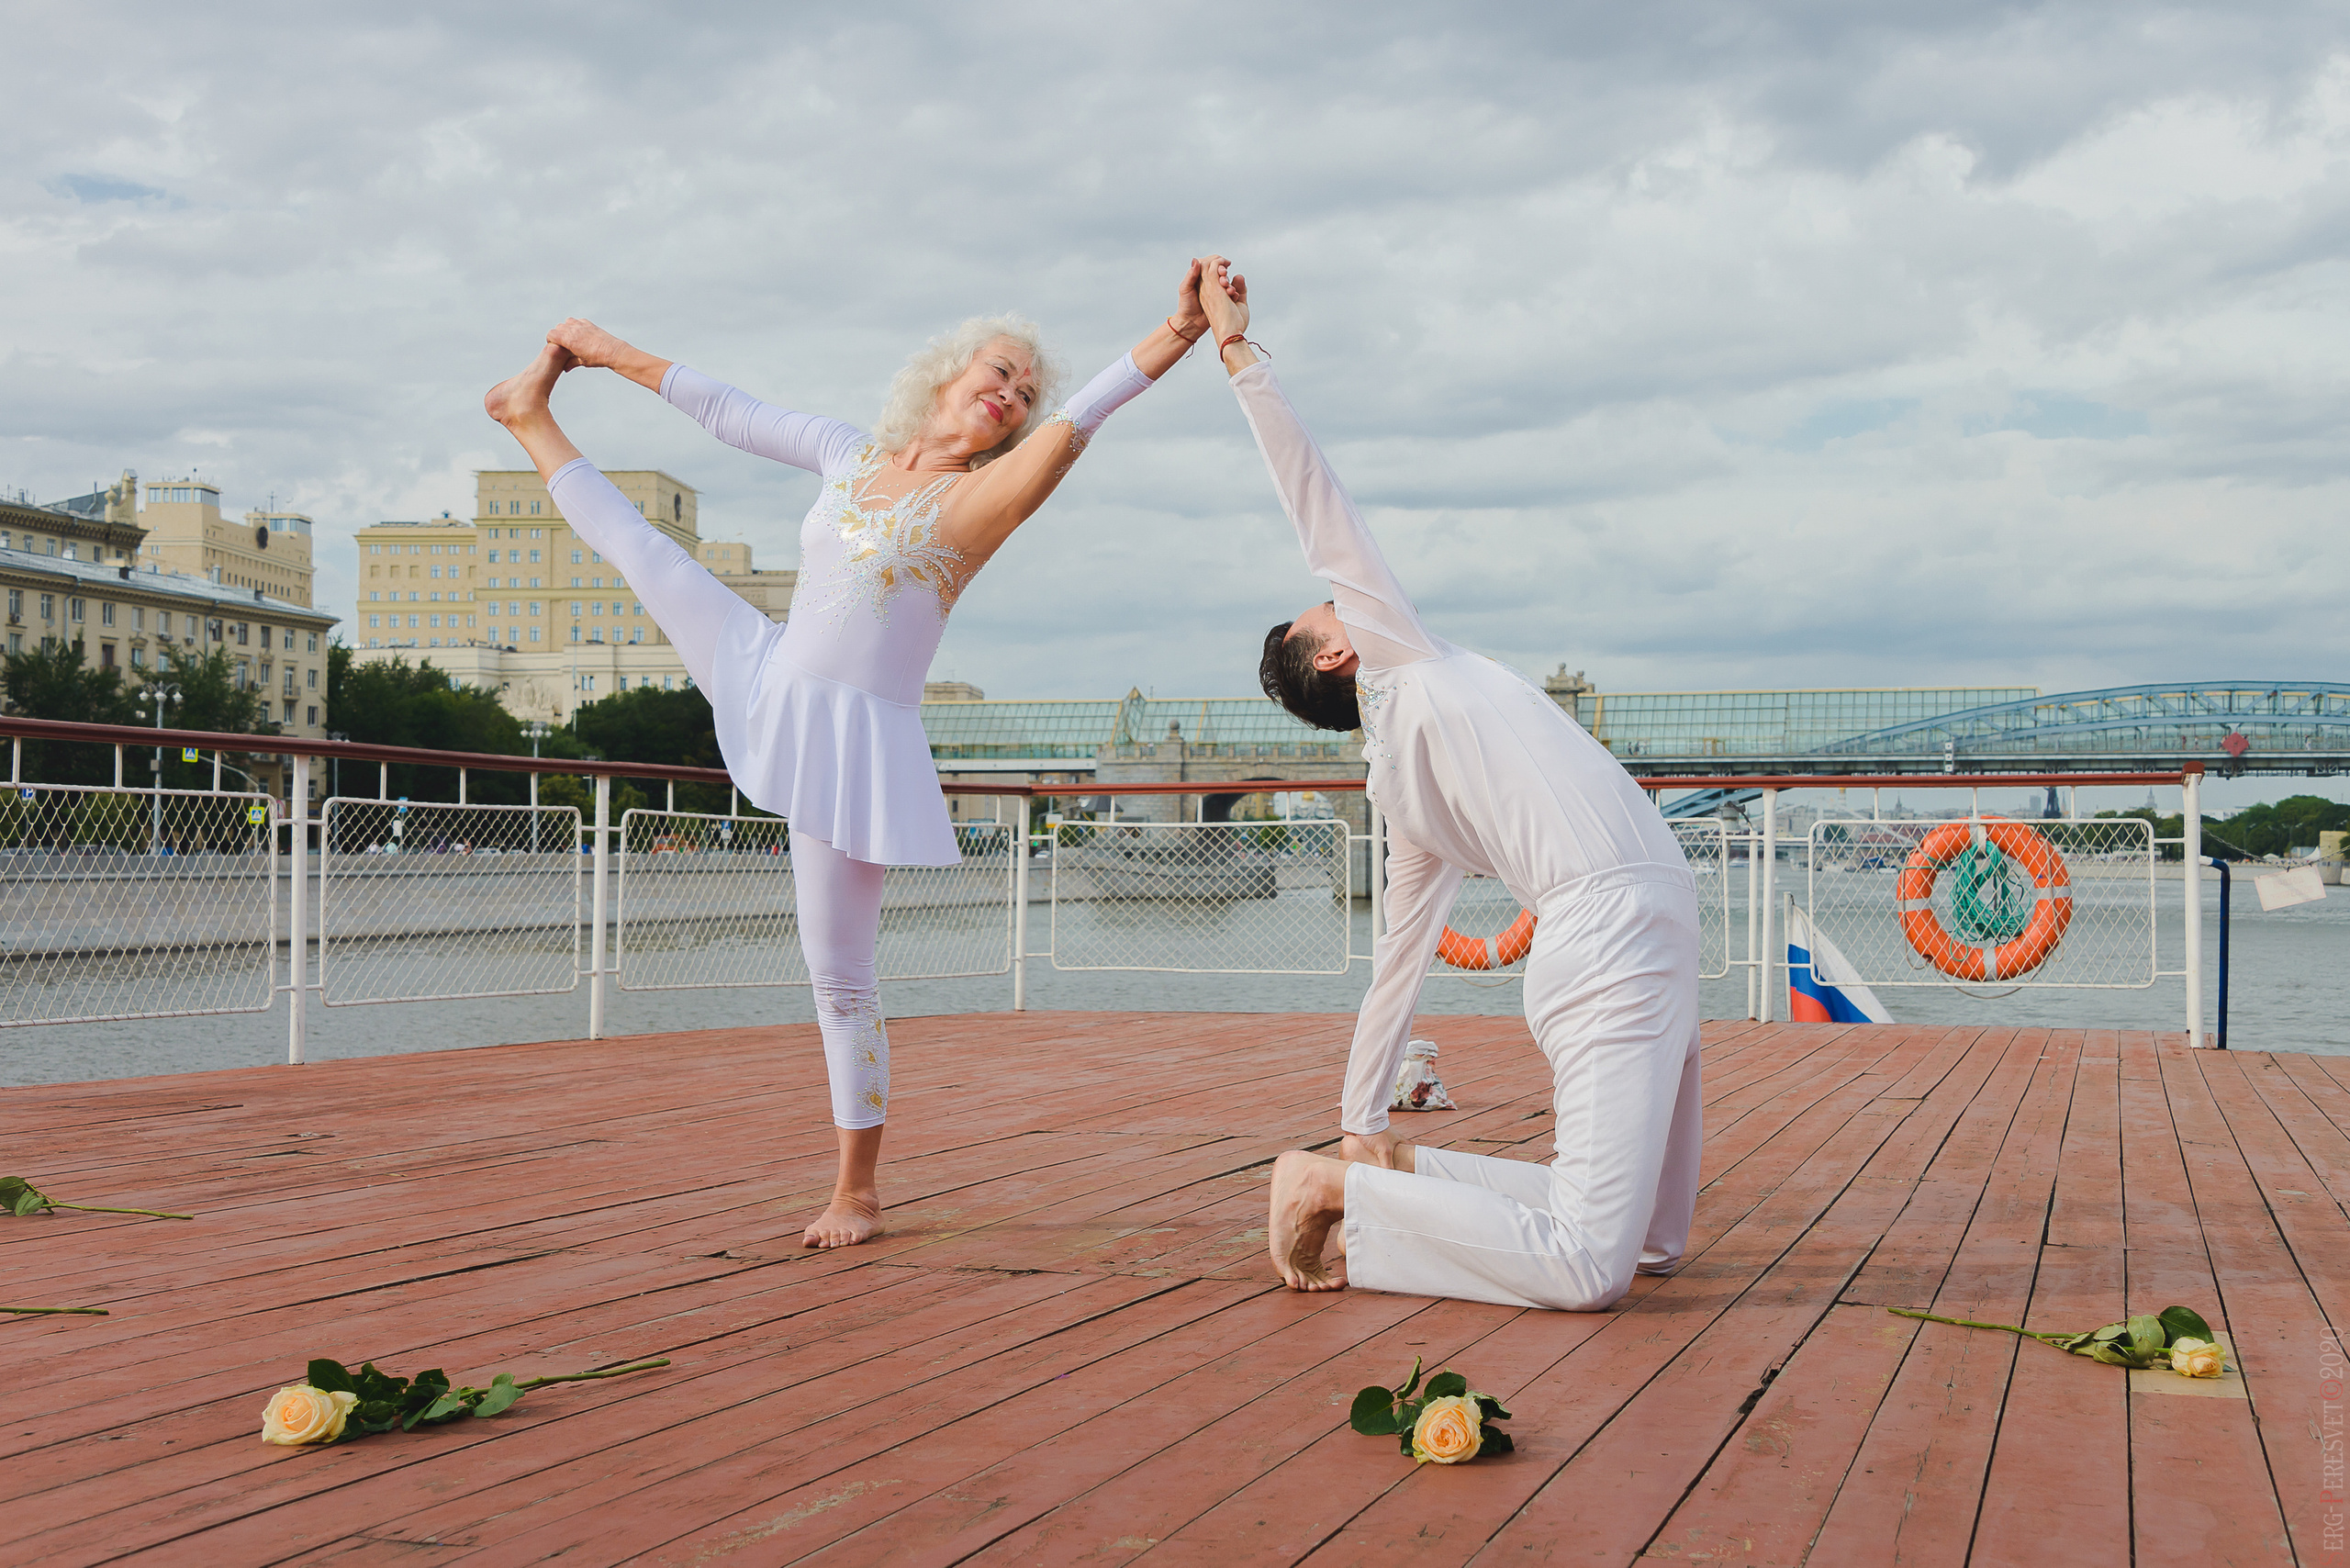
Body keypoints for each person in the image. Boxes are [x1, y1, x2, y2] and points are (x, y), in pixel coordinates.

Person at [485, 266, 1212, 1247]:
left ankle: (856, 1190)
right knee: (649, 556)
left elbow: (1079, 419)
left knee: (840, 974)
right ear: (948, 374)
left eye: (1024, 394)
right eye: (1000, 371)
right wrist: (605, 351)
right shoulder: (849, 453)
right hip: (769, 669)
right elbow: (732, 413)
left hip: (854, 737)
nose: (1012, 394)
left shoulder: (984, 496)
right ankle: (526, 414)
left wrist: (1174, 332)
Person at [1195, 259, 1704, 1312]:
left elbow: (1398, 960)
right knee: (1587, 1270)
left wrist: (1364, 1113)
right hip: (1607, 931)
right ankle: (1340, 1192)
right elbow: (1314, 499)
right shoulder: (1399, 659)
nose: (1338, 597)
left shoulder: (1404, 763)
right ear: (1336, 654)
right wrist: (1239, 354)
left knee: (1652, 1239)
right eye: (1324, 610)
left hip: (1651, 923)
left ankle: (1385, 1180)